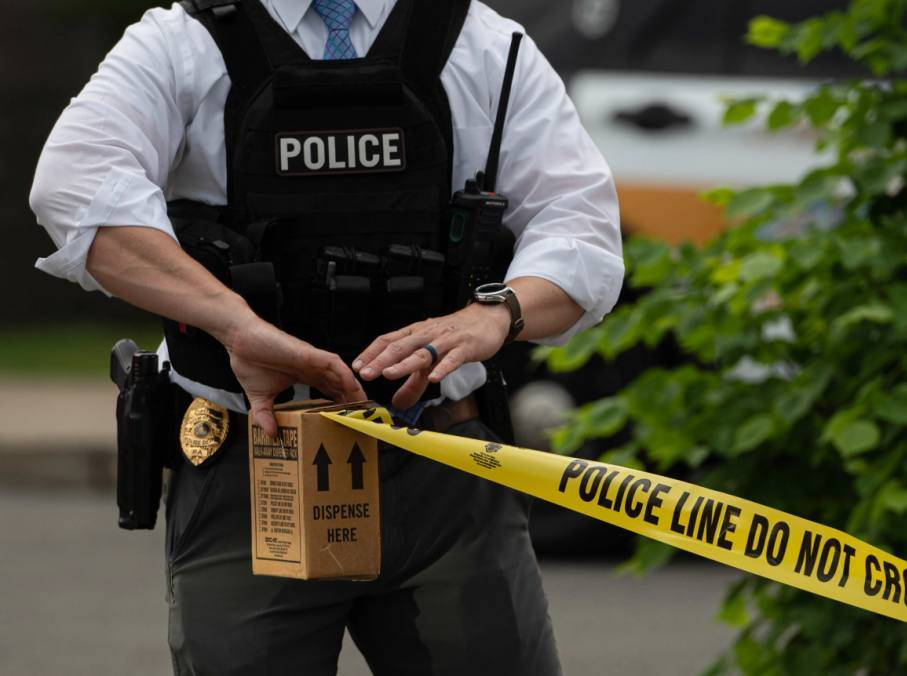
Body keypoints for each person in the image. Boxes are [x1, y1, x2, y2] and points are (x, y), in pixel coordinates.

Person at [30, 0, 623, 673]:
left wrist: (493, 316)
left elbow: (584, 230)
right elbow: (72, 187)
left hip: (444, 468)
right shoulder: (184, 42)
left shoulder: (482, 44)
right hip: (253, 467)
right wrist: (235, 324)